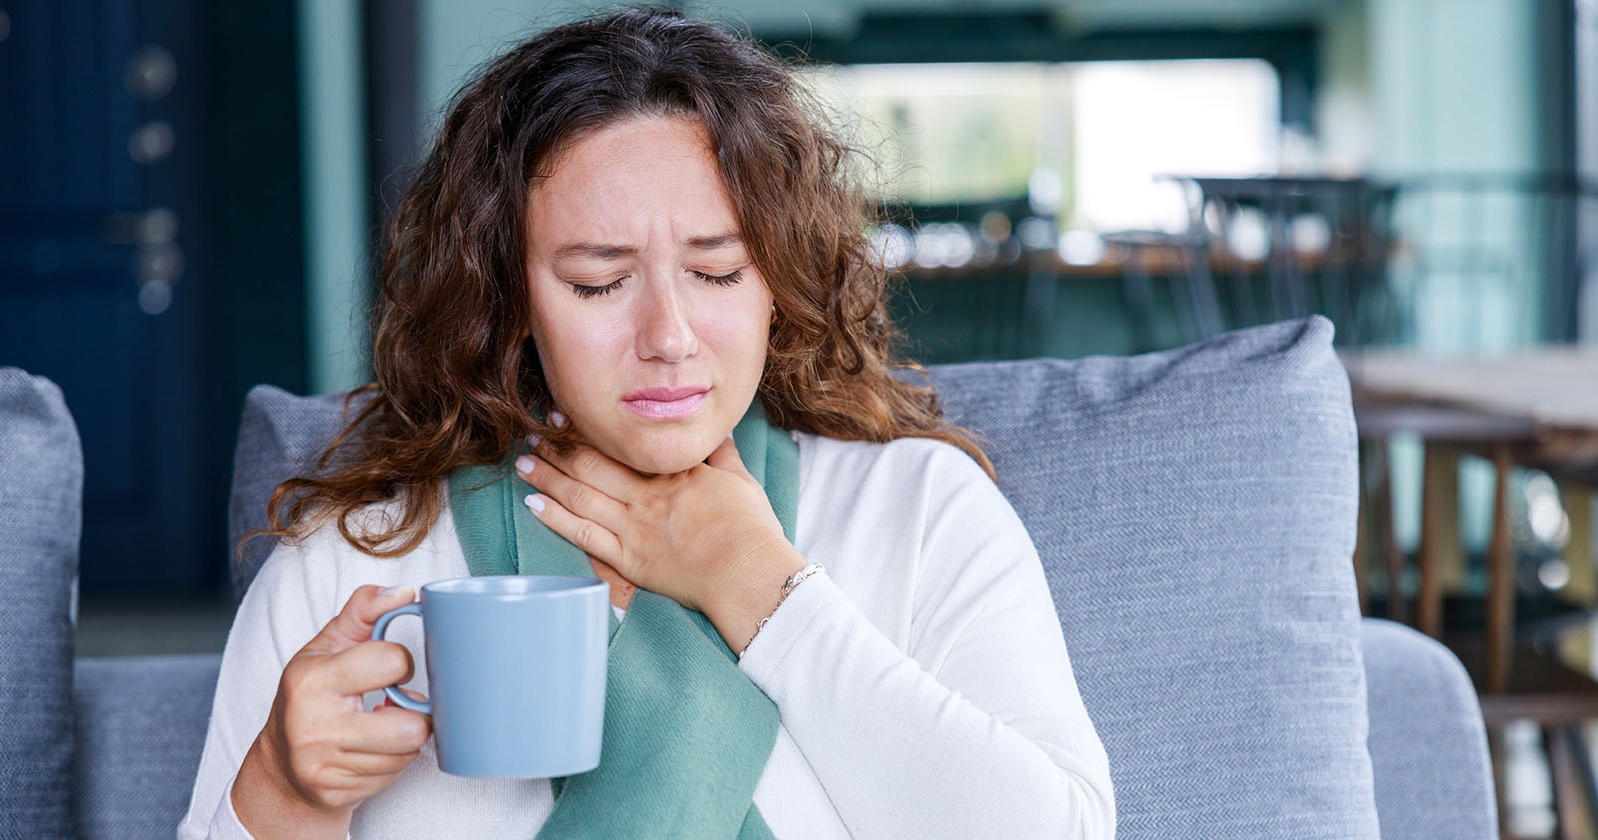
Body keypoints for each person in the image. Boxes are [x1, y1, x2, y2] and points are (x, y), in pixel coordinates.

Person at [178, 5, 1115, 838]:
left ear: (778, 284)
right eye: (598, 282)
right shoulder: (354, 568)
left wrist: (762, 589)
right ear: (510, 300)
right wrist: (283, 796)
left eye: (716, 272)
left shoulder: (917, 512)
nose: (668, 336)